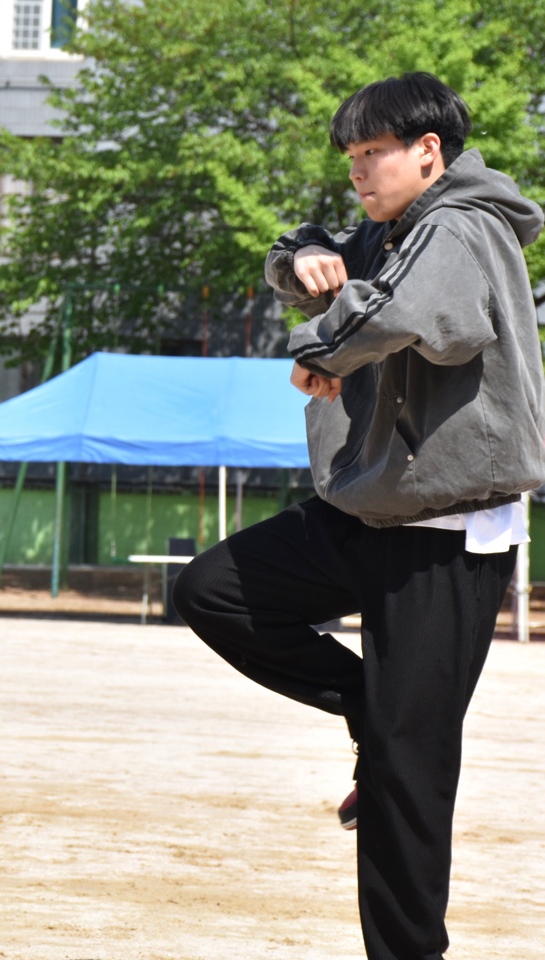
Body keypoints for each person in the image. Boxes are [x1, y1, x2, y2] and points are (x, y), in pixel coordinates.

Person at [173, 73, 545, 960]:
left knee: (406, 774)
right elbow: (301, 257)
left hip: (448, 532)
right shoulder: (391, 228)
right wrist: (303, 259)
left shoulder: (462, 227)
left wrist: (320, 348)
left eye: (373, 152)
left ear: (429, 152)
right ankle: (368, 708)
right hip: (369, 509)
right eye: (350, 156)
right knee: (213, 591)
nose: (358, 170)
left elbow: (420, 317)